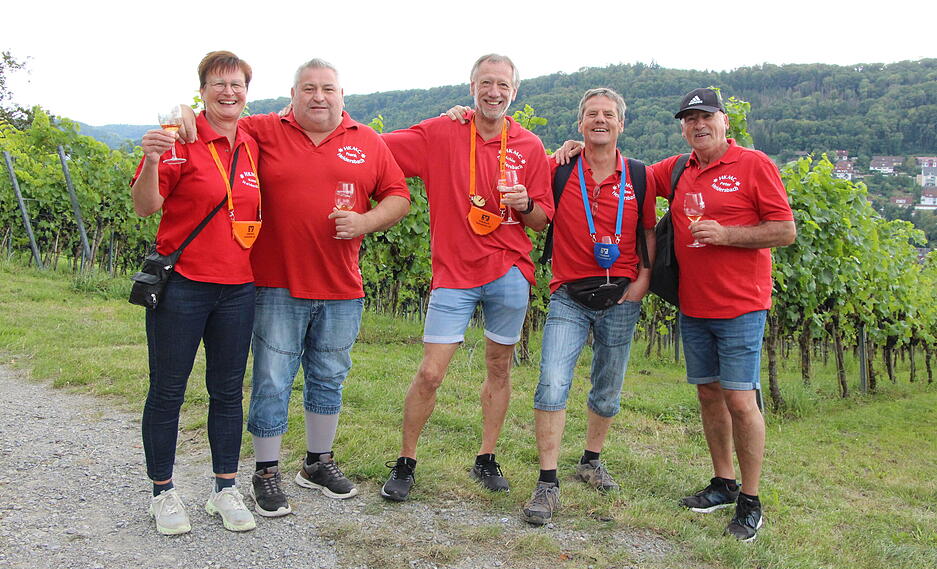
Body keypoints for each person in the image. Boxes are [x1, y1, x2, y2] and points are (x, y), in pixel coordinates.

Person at [178, 58, 410, 518]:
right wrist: (184, 117)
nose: (318, 97)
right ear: (293, 94)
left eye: (327, 88)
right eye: (309, 88)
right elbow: (215, 120)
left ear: (342, 95)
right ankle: (266, 470)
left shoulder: (367, 141)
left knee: (329, 377)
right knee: (271, 378)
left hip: (342, 287)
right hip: (275, 284)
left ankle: (317, 463)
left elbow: (398, 196)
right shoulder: (264, 129)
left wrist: (365, 220)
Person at [378, 54, 554, 501]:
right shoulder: (443, 132)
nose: (494, 92)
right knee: (430, 373)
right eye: (486, 83)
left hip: (509, 273)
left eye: (503, 85)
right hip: (453, 274)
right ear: (471, 86)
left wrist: (524, 205)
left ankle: (486, 457)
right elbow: (376, 147)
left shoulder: (530, 146)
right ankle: (405, 461)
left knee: (499, 367)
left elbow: (540, 220)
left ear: (515, 92)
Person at [651, 88, 796, 542]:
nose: (698, 125)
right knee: (709, 395)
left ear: (724, 120)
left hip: (741, 305)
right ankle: (723, 483)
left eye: (705, 117)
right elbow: (625, 172)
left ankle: (751, 501)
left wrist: (727, 235)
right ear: (682, 127)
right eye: (689, 119)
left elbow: (785, 230)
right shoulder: (677, 169)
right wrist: (578, 148)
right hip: (694, 305)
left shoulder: (755, 165)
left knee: (739, 399)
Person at [132, 50, 260, 535]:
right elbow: (146, 206)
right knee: (168, 390)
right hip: (183, 286)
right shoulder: (179, 142)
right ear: (202, 91)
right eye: (219, 84)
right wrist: (150, 159)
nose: (229, 93)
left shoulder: (253, 140)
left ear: (247, 93)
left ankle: (224, 489)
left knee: (227, 392)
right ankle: (162, 493)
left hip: (238, 289)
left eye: (237, 85)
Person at [520, 88, 656, 525]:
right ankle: (547, 483)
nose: (600, 120)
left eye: (608, 115)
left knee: (607, 390)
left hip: (621, 298)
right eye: (592, 115)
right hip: (569, 296)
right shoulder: (559, 168)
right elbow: (534, 208)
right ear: (579, 124)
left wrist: (642, 284)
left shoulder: (639, 175)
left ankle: (591, 460)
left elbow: (650, 233)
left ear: (621, 124)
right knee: (552, 383)